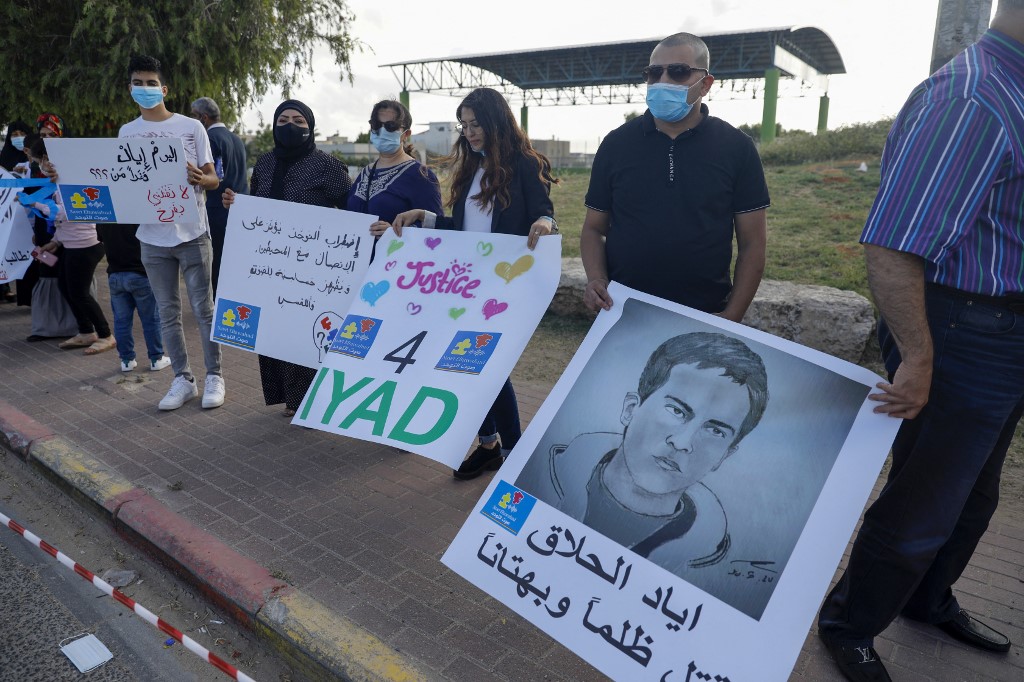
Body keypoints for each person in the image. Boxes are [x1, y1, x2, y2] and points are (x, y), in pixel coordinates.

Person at [816, 5, 1024, 681]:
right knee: (925, 498)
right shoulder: (973, 98)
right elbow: (892, 245)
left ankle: (926, 599)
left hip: (1004, 328)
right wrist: (920, 357)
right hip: (965, 330)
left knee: (975, 493)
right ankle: (849, 622)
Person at [388, 87, 558, 480]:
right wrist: (423, 217)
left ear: (497, 121)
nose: (470, 132)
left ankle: (512, 453)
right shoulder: (469, 170)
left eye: (476, 123)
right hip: (467, 287)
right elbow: (464, 231)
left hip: (507, 289)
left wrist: (545, 224)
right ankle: (489, 444)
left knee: (492, 368)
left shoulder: (527, 164)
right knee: (467, 365)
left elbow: (545, 214)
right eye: (464, 125)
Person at [527, 332, 768, 575]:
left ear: (724, 456)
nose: (683, 442)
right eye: (676, 410)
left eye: (715, 431)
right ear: (631, 409)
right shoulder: (537, 479)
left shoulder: (708, 564)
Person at [580, 32, 768, 322]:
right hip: (622, 311)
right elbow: (594, 229)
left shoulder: (736, 147)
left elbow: (753, 243)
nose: (663, 80)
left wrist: (732, 314)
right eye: (654, 73)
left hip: (704, 312)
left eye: (678, 71)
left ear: (705, 84)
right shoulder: (616, 144)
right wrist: (596, 279)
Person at [222, 99, 352, 417]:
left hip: (313, 268)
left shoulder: (328, 166)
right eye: (283, 119)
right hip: (272, 265)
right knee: (275, 330)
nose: (290, 125)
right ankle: (294, 399)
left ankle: (316, 399)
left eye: (298, 120)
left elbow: (351, 210)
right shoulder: (265, 164)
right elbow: (259, 208)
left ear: (310, 126)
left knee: (308, 330)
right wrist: (238, 205)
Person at [118, 55, 223, 410]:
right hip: (151, 237)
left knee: (204, 309)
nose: (144, 89)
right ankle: (183, 379)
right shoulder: (126, 133)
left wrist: (201, 178)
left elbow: (213, 177)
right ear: (129, 89)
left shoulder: (192, 127)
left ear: (164, 89)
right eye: (138, 83)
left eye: (151, 83)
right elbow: (120, 183)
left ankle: (215, 376)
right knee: (167, 312)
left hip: (192, 233)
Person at [32, 138, 116, 355]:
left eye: (41, 161)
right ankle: (86, 331)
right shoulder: (60, 182)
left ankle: (106, 335)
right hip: (71, 244)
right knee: (65, 287)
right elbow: (65, 222)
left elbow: (67, 212)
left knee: (80, 293)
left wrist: (33, 203)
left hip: (86, 246)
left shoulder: (77, 179)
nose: (42, 167)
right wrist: (55, 242)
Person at [349, 99, 442, 247]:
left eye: (390, 126)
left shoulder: (421, 176)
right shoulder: (365, 173)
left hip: (394, 266)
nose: (382, 131)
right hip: (357, 265)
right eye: (376, 125)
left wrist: (395, 234)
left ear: (406, 134)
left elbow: (436, 227)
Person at [190, 96, 247, 296]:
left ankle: (217, 303)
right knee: (235, 261)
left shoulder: (211, 139)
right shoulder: (236, 139)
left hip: (217, 209)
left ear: (203, 118)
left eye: (193, 117)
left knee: (217, 261)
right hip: (241, 209)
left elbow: (213, 177)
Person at [96, 223, 170, 373]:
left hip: (115, 274)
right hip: (140, 273)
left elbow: (101, 239)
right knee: (150, 319)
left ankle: (126, 360)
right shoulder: (136, 216)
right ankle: (156, 358)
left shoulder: (105, 216)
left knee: (121, 321)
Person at [1, 120, 32, 304]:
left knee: (30, 251)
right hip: (8, 212)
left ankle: (29, 295)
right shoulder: (5, 156)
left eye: (22, 133)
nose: (18, 137)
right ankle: (5, 288)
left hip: (33, 213)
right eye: (14, 134)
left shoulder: (35, 156)